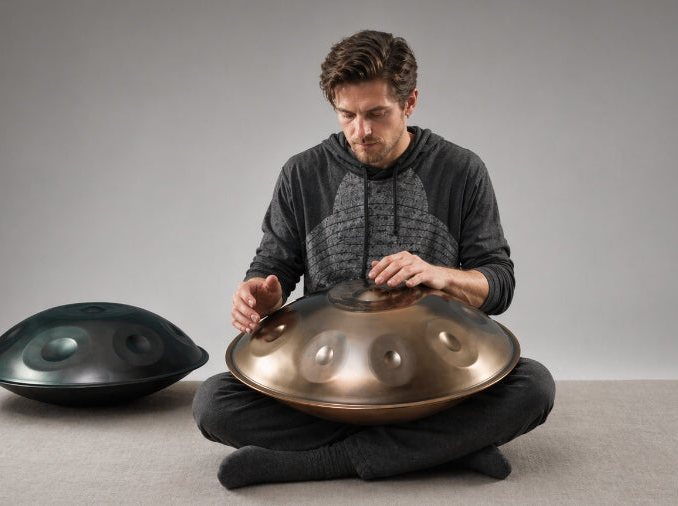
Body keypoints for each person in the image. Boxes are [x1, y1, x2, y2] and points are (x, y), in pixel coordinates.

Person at [193, 29, 555, 489]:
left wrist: (439, 276)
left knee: (534, 387)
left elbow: (499, 283)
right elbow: (274, 263)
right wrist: (261, 292)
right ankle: (440, 449)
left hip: (433, 382)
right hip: (325, 383)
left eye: (377, 114)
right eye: (348, 115)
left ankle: (319, 462)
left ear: (411, 102)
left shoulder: (462, 170)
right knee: (213, 403)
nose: (360, 131)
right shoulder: (302, 172)